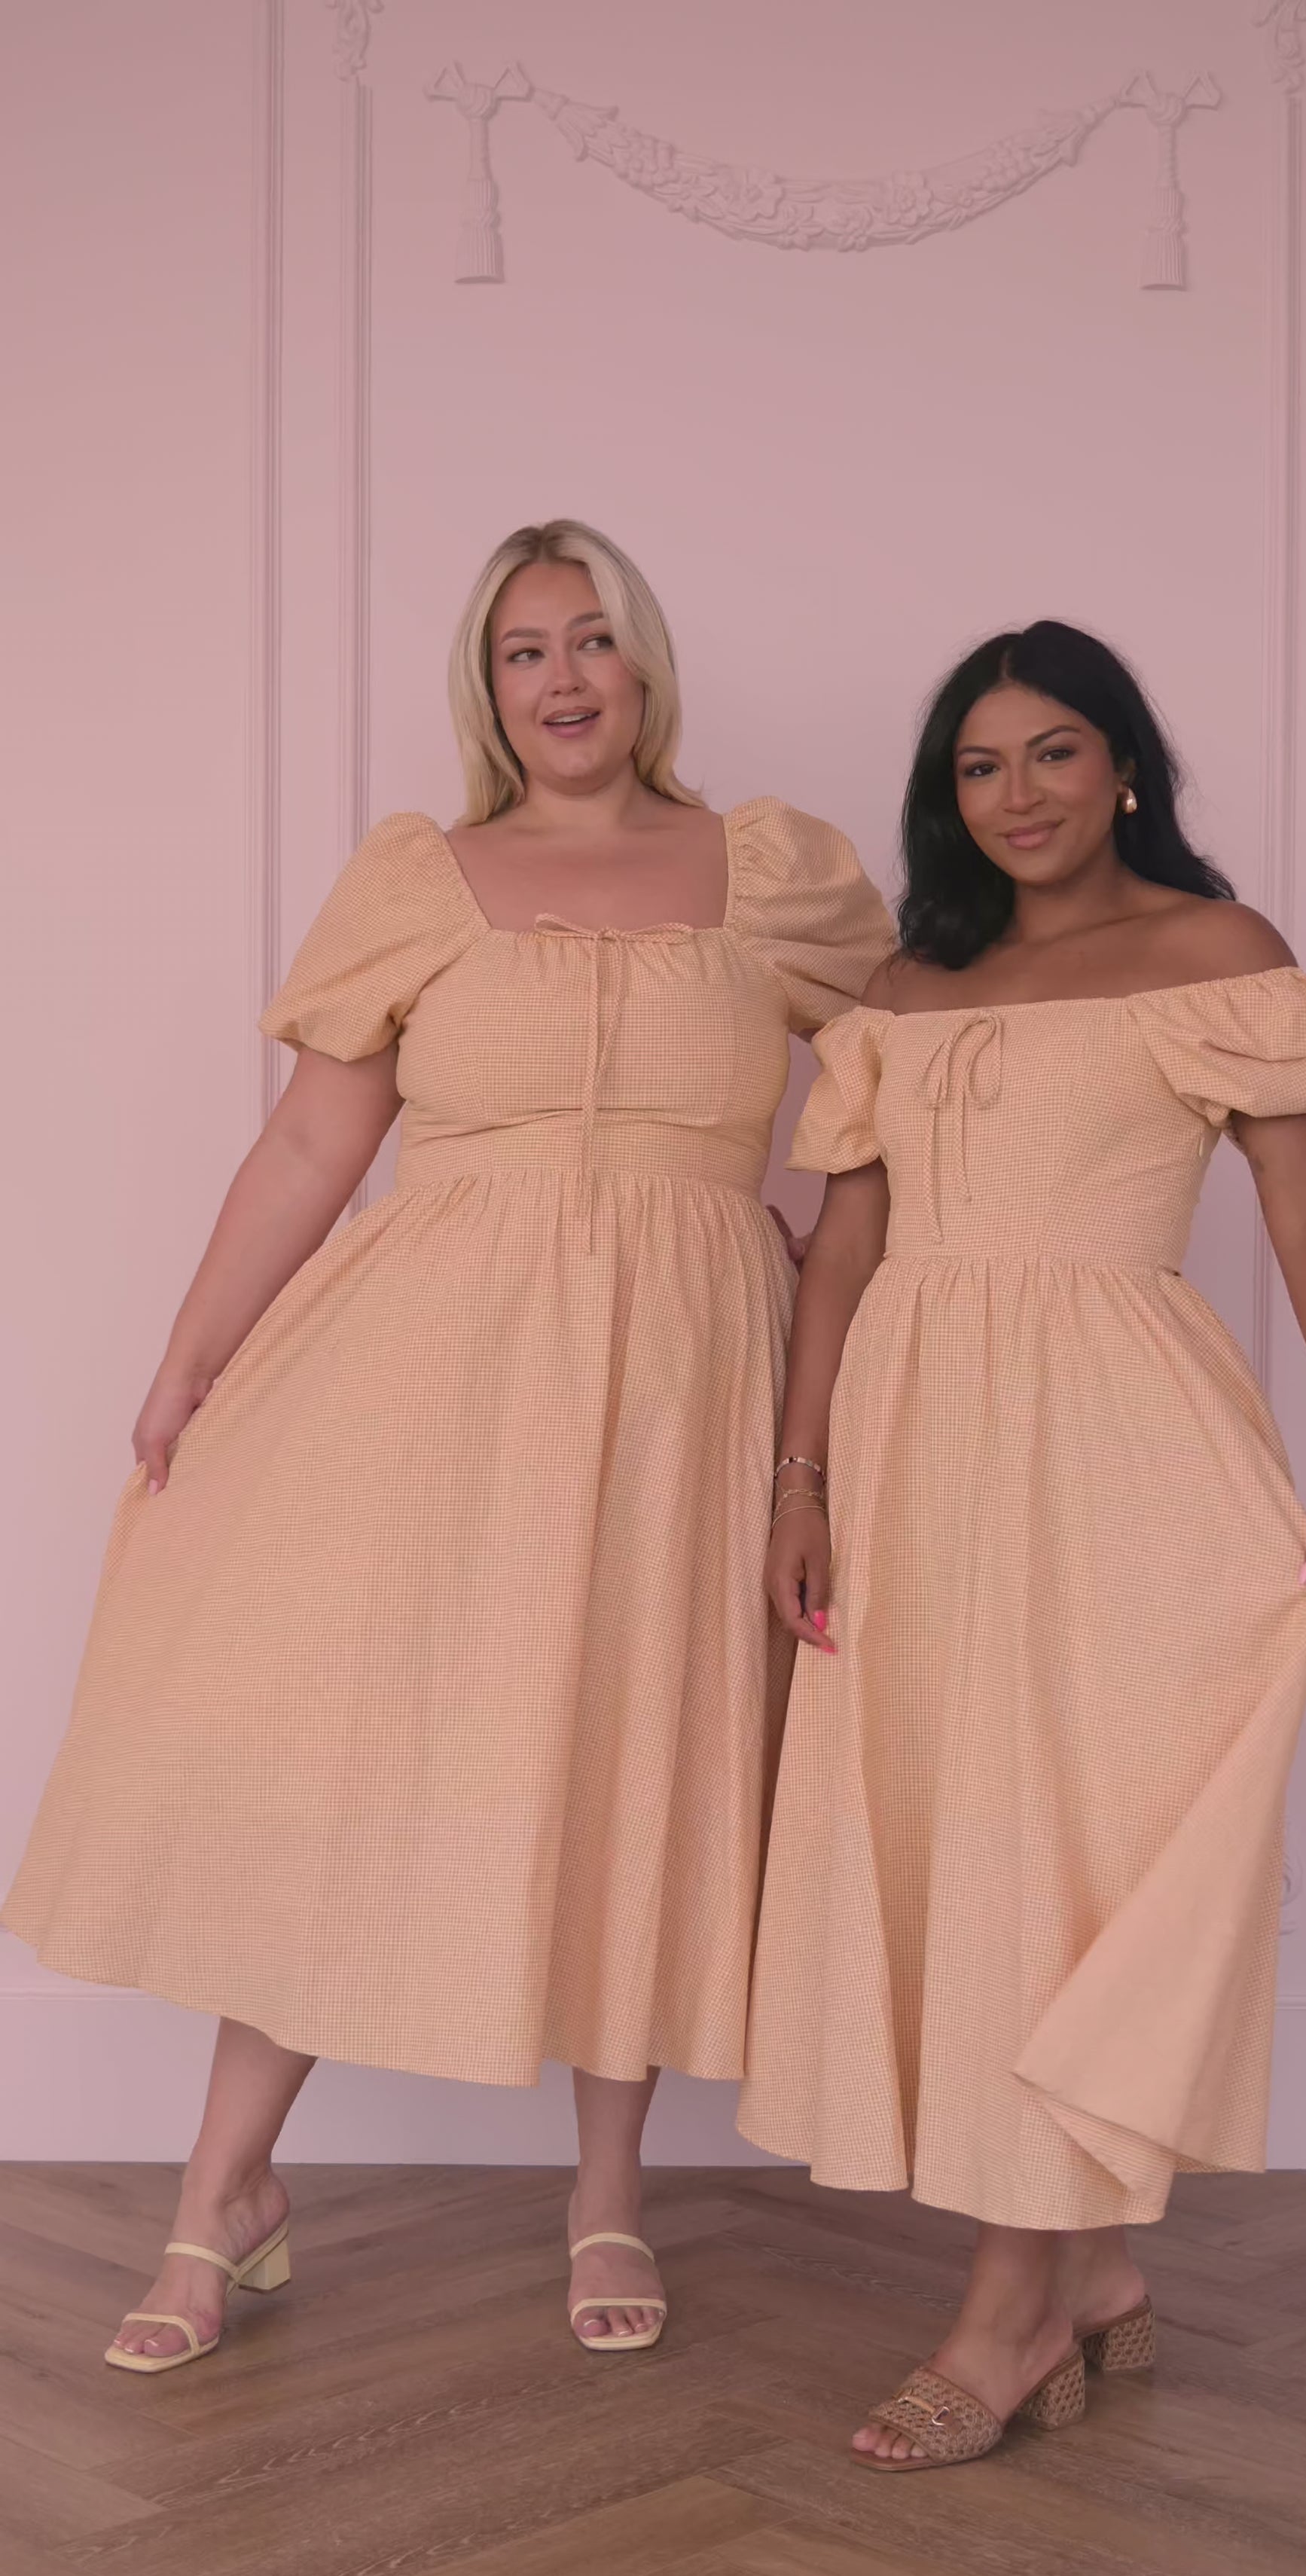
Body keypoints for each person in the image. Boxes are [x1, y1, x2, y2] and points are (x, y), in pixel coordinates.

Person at [5, 519, 891, 2372]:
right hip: (433, 1377)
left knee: (640, 1747)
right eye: (522, 651)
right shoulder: (421, 877)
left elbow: (909, 1095)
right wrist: (187, 1365)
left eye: (592, 640)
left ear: (643, 665)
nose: (562, 679)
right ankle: (223, 2194)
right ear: (487, 686)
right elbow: (310, 1147)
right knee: (347, 1749)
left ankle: (608, 2194)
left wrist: (815, 1251)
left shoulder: (770, 874)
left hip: (688, 1382)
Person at [741, 621, 1306, 2469]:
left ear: (1122, 768)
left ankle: (1008, 2310)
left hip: (1118, 1439)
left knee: (1075, 1844)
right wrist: (800, 1480)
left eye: (1050, 753)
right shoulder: (908, 986)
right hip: (918, 1449)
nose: (1014, 795)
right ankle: (1087, 2273)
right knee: (972, 1846)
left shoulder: (1215, 954)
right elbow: (844, 1256)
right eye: (977, 765)